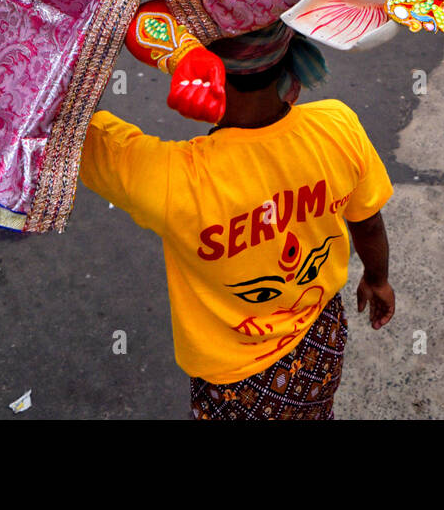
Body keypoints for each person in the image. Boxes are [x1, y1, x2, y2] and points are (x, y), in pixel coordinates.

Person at [78, 23, 395, 420]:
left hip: (236, 386)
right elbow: (367, 222)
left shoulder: (170, 179)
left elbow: (67, 122)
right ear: (288, 57)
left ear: (200, 74)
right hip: (322, 342)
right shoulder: (337, 126)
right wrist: (378, 279)